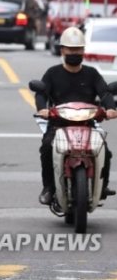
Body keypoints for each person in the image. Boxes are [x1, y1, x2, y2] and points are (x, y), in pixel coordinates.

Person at [35, 26, 117, 205]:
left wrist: (110, 108)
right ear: (62, 50)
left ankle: (101, 186)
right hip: (59, 124)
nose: (74, 52)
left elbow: (105, 93)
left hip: (88, 123)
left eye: (78, 49)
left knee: (105, 151)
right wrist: (43, 109)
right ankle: (49, 187)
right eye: (71, 49)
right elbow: (41, 93)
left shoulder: (92, 74)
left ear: (83, 51)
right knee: (47, 147)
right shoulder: (52, 73)